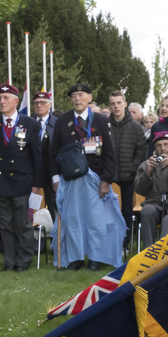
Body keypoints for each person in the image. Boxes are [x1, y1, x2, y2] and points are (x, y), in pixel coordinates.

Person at [49, 83, 123, 271]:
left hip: (95, 180)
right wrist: (55, 180)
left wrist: (106, 181)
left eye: (80, 95)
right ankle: (76, 258)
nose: (76, 98)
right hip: (70, 180)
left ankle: (96, 258)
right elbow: (53, 153)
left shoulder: (99, 120)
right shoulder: (63, 121)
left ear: (89, 98)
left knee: (95, 221)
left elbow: (109, 153)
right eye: (73, 95)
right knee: (73, 221)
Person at [0, 84, 41, 271]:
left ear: (16, 101)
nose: (2, 101)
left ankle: (23, 261)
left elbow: (36, 156)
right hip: (0, 183)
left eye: (6, 98)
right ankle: (10, 261)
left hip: (22, 182)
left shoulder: (30, 123)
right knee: (5, 224)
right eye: (0, 98)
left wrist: (36, 185)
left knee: (22, 223)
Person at [108, 90, 148, 248]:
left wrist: (133, 168)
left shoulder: (135, 127)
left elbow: (141, 150)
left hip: (128, 176)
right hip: (109, 177)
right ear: (110, 106)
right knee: (108, 211)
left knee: (127, 210)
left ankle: (125, 243)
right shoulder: (105, 125)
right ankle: (110, 243)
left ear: (125, 104)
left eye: (119, 103)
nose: (116, 106)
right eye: (113, 103)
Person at [31, 91, 57, 220]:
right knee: (33, 209)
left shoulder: (58, 124)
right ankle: (35, 237)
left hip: (51, 174)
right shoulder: (27, 123)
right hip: (32, 175)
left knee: (53, 209)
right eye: (36, 103)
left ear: (50, 105)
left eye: (43, 103)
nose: (39, 105)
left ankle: (54, 236)